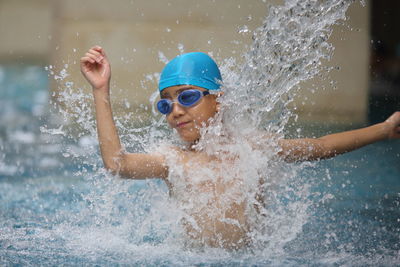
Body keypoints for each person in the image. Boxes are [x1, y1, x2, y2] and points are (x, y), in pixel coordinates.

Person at [80, 45, 400, 249]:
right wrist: (100, 90)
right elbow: (117, 165)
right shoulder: (174, 160)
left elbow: (321, 146)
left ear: (219, 100)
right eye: (165, 105)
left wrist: (384, 129)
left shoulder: (251, 147)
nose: (175, 110)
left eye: (187, 97)